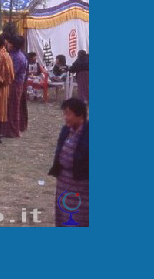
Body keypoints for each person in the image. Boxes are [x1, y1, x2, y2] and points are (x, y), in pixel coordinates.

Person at [48, 97, 89, 227]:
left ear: (80, 115)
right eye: (64, 114)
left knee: (78, 218)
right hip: (63, 182)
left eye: (68, 114)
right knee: (63, 216)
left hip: (81, 185)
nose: (66, 118)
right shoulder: (66, 130)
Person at [2, 35, 28, 138]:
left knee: (13, 107)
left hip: (15, 84)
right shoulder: (15, 55)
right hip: (14, 83)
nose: (7, 45)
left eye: (9, 43)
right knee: (10, 107)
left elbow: (12, 72)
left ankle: (13, 130)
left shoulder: (17, 57)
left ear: (12, 45)